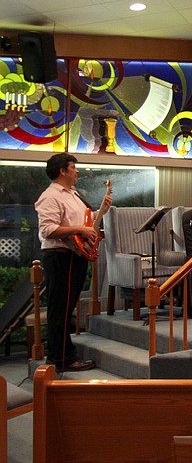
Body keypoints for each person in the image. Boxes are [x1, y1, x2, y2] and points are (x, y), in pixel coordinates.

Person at [35, 152, 111, 372]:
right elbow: (48, 230)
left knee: (66, 308)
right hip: (60, 258)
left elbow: (84, 222)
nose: (77, 171)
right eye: (73, 167)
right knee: (60, 309)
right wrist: (80, 229)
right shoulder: (51, 196)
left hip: (74, 256)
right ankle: (60, 359)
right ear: (62, 171)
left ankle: (64, 355)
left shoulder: (73, 194)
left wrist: (101, 211)